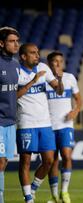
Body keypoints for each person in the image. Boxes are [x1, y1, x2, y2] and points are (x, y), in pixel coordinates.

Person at [16, 43, 64, 203]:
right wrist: (33, 80)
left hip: (45, 123)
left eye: (37, 52)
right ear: (23, 56)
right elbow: (13, 96)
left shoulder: (43, 67)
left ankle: (34, 189)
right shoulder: (16, 71)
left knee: (49, 160)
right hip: (26, 122)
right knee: (25, 161)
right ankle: (28, 198)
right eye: (33, 53)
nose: (37, 55)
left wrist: (59, 79)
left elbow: (59, 90)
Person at [46, 51, 82, 203]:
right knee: (52, 160)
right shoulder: (44, 79)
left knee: (67, 156)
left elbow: (79, 100)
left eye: (61, 60)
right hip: (48, 125)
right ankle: (54, 196)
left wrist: (75, 111)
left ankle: (64, 192)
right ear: (49, 64)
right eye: (55, 61)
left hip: (66, 125)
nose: (59, 63)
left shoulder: (69, 78)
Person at [0, 26, 20, 203]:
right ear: (1, 43)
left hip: (11, 122)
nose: (16, 44)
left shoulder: (15, 65)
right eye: (12, 41)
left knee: (4, 162)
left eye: (17, 41)